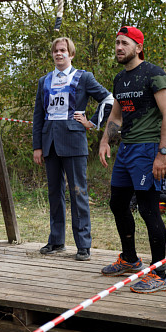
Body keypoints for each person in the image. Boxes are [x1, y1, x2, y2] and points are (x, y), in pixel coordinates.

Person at [98, 26, 166, 293]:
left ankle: (159, 273)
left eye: (124, 43)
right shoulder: (120, 78)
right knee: (118, 203)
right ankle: (130, 259)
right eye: (117, 43)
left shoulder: (153, 74)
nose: (119, 47)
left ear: (138, 48)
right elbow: (117, 116)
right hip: (127, 149)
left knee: (148, 208)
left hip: (148, 149)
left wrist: (163, 154)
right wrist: (106, 140)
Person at [33, 37, 114, 261]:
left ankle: (83, 245)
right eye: (56, 51)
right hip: (49, 143)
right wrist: (37, 146)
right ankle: (57, 240)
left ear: (71, 54)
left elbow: (108, 98)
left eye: (63, 50)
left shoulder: (83, 77)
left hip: (74, 142)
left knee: (78, 192)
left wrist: (92, 121)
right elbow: (39, 114)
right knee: (54, 194)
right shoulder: (45, 80)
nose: (59, 54)